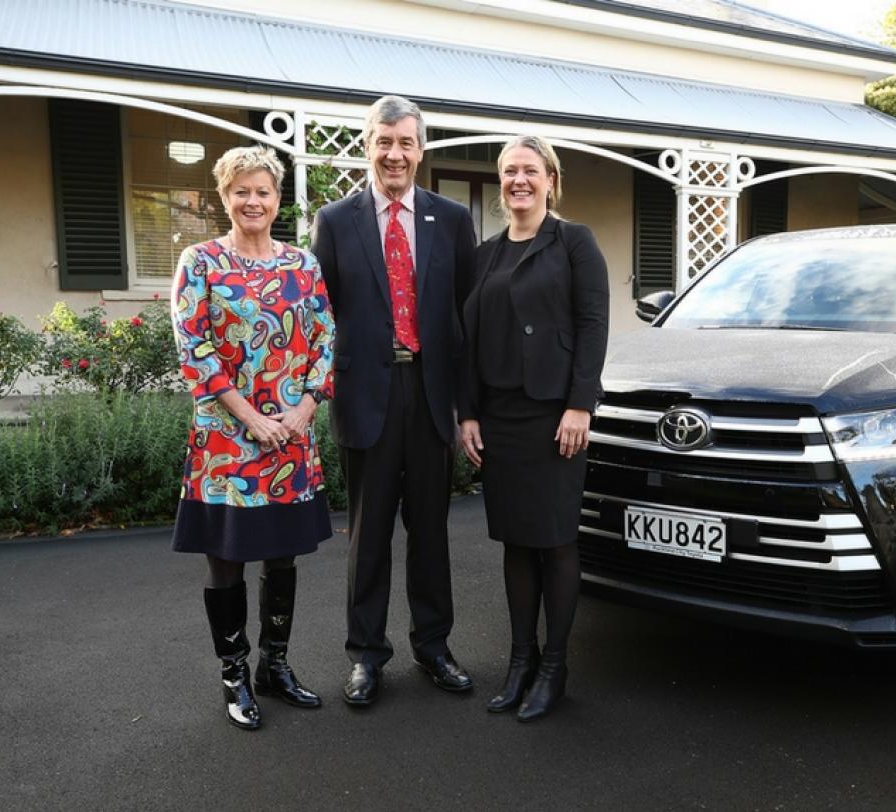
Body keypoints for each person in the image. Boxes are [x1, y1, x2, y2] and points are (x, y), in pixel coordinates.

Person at [311, 95, 477, 706]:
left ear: (421, 149)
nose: (395, 154)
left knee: (431, 532)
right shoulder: (336, 220)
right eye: (384, 141)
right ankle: (366, 655)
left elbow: (466, 318)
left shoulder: (452, 219)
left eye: (406, 143)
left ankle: (433, 647)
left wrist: (468, 406)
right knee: (369, 533)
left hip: (431, 397)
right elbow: (318, 316)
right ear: (367, 145)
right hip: (366, 395)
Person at [170, 145, 335, 730]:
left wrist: (307, 406)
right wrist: (251, 418)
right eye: (241, 190)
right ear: (224, 196)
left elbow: (325, 340)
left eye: (263, 190)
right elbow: (195, 349)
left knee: (282, 554)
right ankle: (234, 675)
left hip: (290, 435)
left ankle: (276, 665)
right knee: (227, 560)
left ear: (277, 197)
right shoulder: (202, 261)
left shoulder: (302, 266)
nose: (253, 201)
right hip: (227, 444)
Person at [458, 135, 609, 722]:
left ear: (550, 178)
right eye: (509, 172)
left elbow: (594, 323)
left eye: (529, 170)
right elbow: (467, 340)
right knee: (516, 541)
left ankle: (554, 666)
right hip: (500, 417)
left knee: (555, 541)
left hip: (554, 416)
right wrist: (467, 412)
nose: (518, 180)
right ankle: (519, 662)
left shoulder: (574, 241)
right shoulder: (485, 254)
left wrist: (581, 405)